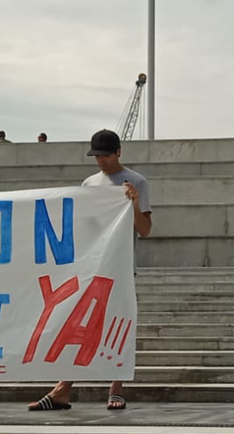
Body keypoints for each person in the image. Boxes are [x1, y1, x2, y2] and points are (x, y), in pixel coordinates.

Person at [29, 129, 152, 411]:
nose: (101, 162)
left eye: (106, 156)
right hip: (92, 263)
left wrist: (133, 202)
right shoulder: (89, 183)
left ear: (118, 152)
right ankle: (63, 388)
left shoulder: (137, 182)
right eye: (97, 156)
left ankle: (115, 387)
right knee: (78, 323)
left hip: (121, 264)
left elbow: (144, 230)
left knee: (117, 323)